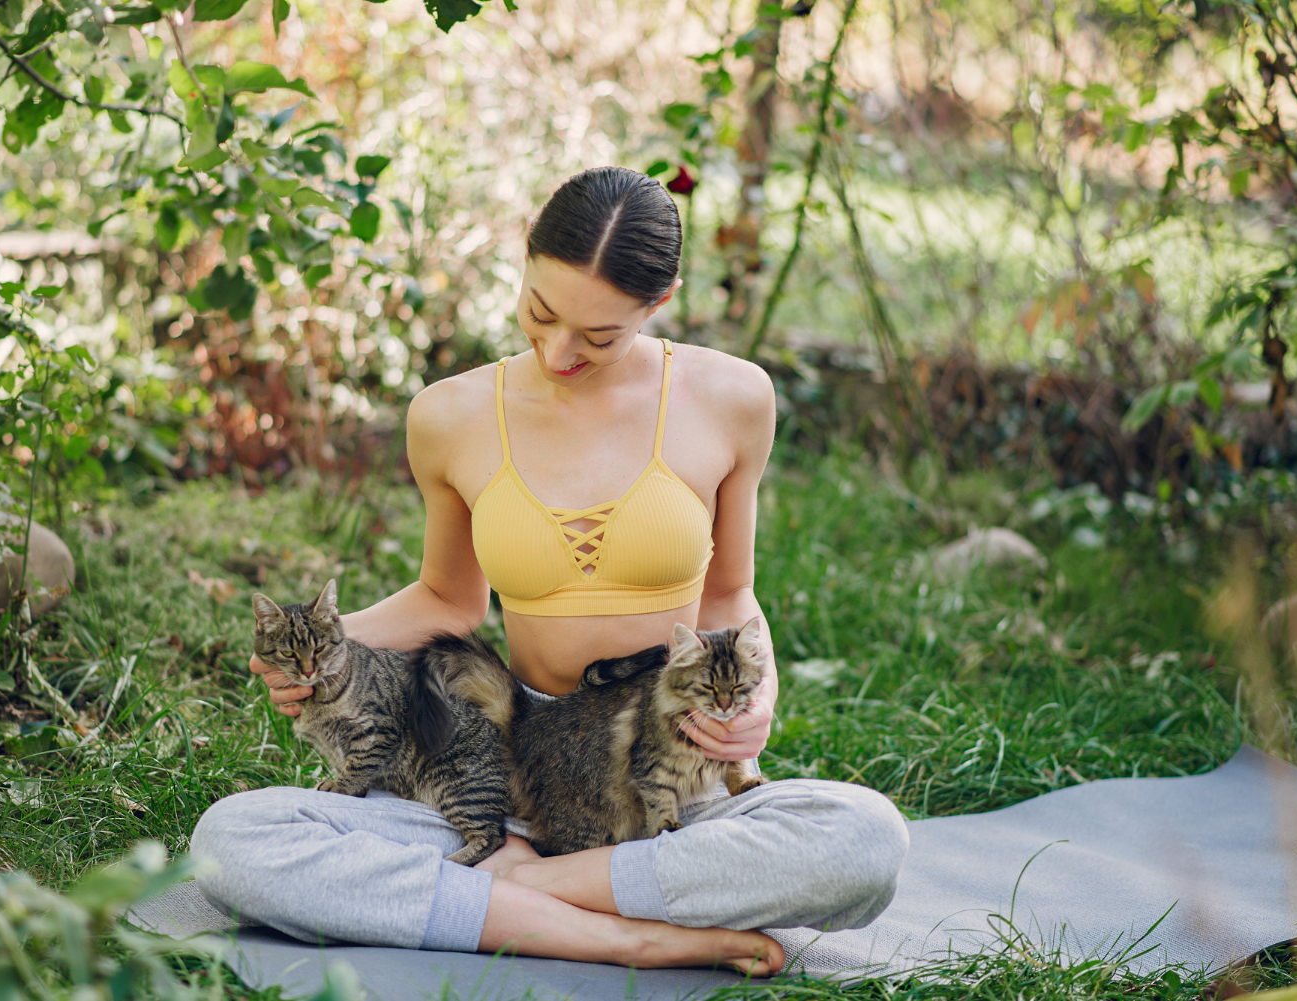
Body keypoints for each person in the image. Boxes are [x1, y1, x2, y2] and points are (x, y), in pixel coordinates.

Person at [191, 166, 908, 975]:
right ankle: (624, 931)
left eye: (600, 336)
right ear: (525, 262)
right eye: (540, 312)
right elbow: (448, 599)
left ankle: (527, 891)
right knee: (229, 841)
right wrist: (328, 646)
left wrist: (759, 697)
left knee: (866, 840)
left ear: (659, 300)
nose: (560, 351)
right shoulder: (451, 415)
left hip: (666, 778)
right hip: (506, 769)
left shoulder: (732, 397)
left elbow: (729, 593)